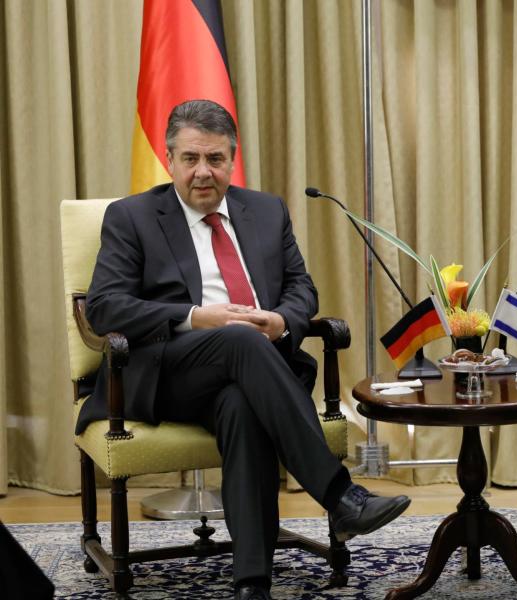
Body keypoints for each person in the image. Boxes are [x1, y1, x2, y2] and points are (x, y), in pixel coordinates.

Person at [79, 99, 410, 600]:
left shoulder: (266, 210)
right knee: (235, 338)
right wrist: (195, 316)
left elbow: (302, 289)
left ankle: (251, 582)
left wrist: (281, 320)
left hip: (258, 371)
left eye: (215, 159)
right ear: (170, 159)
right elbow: (104, 307)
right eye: (190, 158)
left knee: (241, 403)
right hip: (168, 372)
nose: (203, 172)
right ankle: (339, 494)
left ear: (233, 159)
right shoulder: (133, 217)